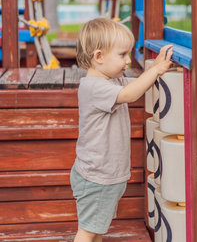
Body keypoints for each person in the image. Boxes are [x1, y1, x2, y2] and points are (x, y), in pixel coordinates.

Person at [71, 17, 173, 242]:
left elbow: (134, 85)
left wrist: (154, 68)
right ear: (98, 57)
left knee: (96, 230)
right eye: (122, 55)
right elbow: (131, 94)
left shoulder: (111, 81)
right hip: (97, 177)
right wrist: (155, 71)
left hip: (103, 175)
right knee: (87, 232)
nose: (128, 61)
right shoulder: (94, 87)